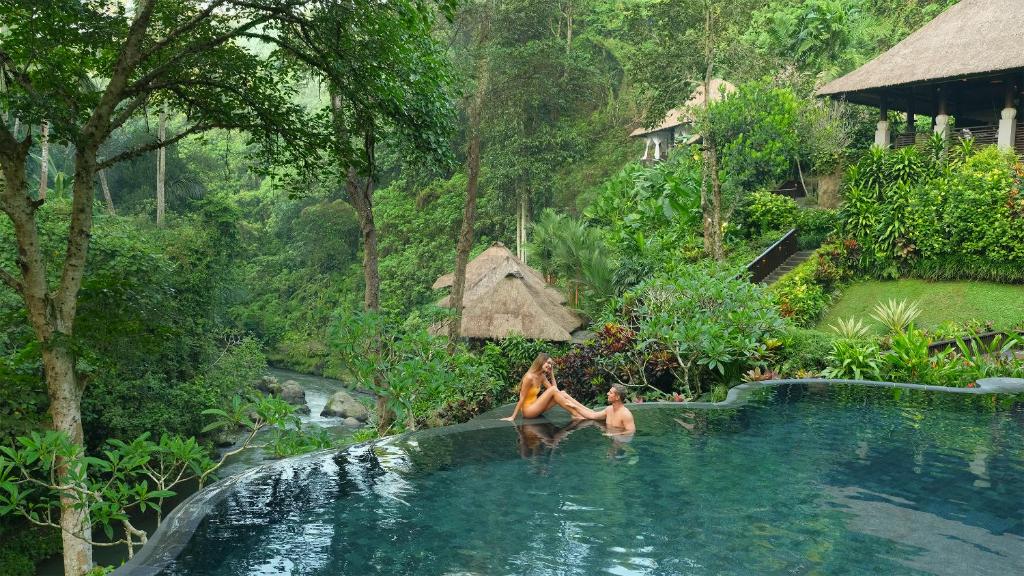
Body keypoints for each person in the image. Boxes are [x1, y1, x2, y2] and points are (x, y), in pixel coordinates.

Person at [501, 353, 599, 421]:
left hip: (537, 407)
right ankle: (577, 414)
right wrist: (513, 417)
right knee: (555, 391)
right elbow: (521, 398)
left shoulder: (542, 376)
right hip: (528, 411)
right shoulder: (529, 377)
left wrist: (551, 373)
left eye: (551, 364)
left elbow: (556, 391)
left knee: (563, 393)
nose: (550, 366)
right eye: (548, 363)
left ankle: (587, 410)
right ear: (541, 362)